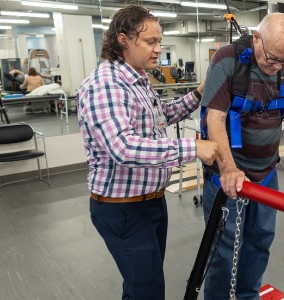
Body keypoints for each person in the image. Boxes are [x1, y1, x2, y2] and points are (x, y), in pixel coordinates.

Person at [76, 5, 218, 299]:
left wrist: (198, 93)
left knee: (146, 285)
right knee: (147, 290)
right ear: (123, 40)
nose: (158, 49)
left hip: (151, 203)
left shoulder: (138, 80)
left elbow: (161, 115)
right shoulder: (106, 85)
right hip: (123, 208)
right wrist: (193, 147)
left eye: (159, 41)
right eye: (151, 42)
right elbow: (122, 147)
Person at [199, 13, 284, 299]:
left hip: (265, 174)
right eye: (272, 58)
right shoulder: (227, 60)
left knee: (259, 241)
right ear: (256, 39)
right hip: (228, 177)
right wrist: (228, 169)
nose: (277, 67)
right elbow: (215, 118)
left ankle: (248, 296)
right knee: (224, 250)